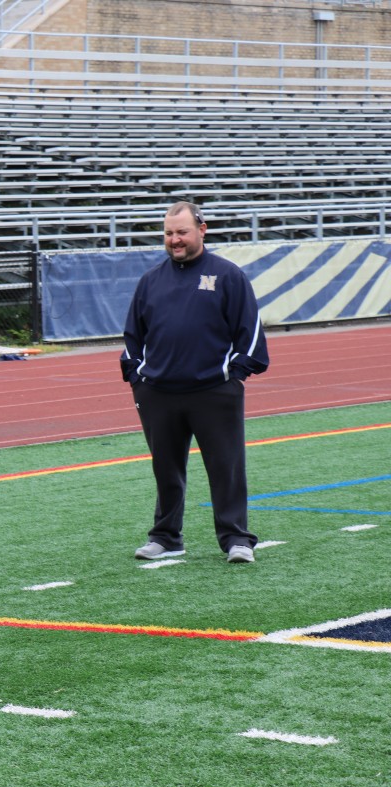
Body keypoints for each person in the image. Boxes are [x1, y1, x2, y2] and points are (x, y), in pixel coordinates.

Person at [121, 201, 269, 564]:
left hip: (213, 391)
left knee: (226, 467)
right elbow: (132, 335)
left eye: (182, 232)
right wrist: (137, 375)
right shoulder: (151, 280)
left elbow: (249, 331)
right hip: (159, 392)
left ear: (202, 230)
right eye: (169, 233)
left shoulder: (227, 275)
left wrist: (234, 373)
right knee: (165, 468)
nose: (175, 240)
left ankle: (236, 538)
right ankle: (166, 537)